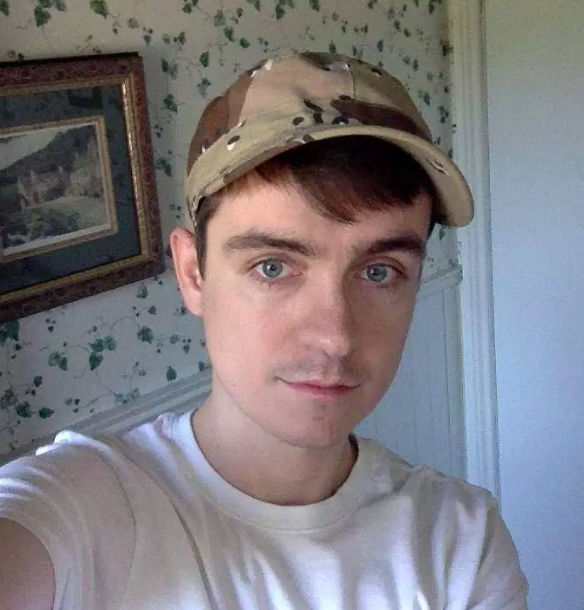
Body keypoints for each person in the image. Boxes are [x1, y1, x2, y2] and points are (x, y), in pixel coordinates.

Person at [0, 51, 528, 609]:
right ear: (193, 274)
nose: (335, 337)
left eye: (379, 272)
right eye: (273, 267)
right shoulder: (81, 509)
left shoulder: (458, 544)